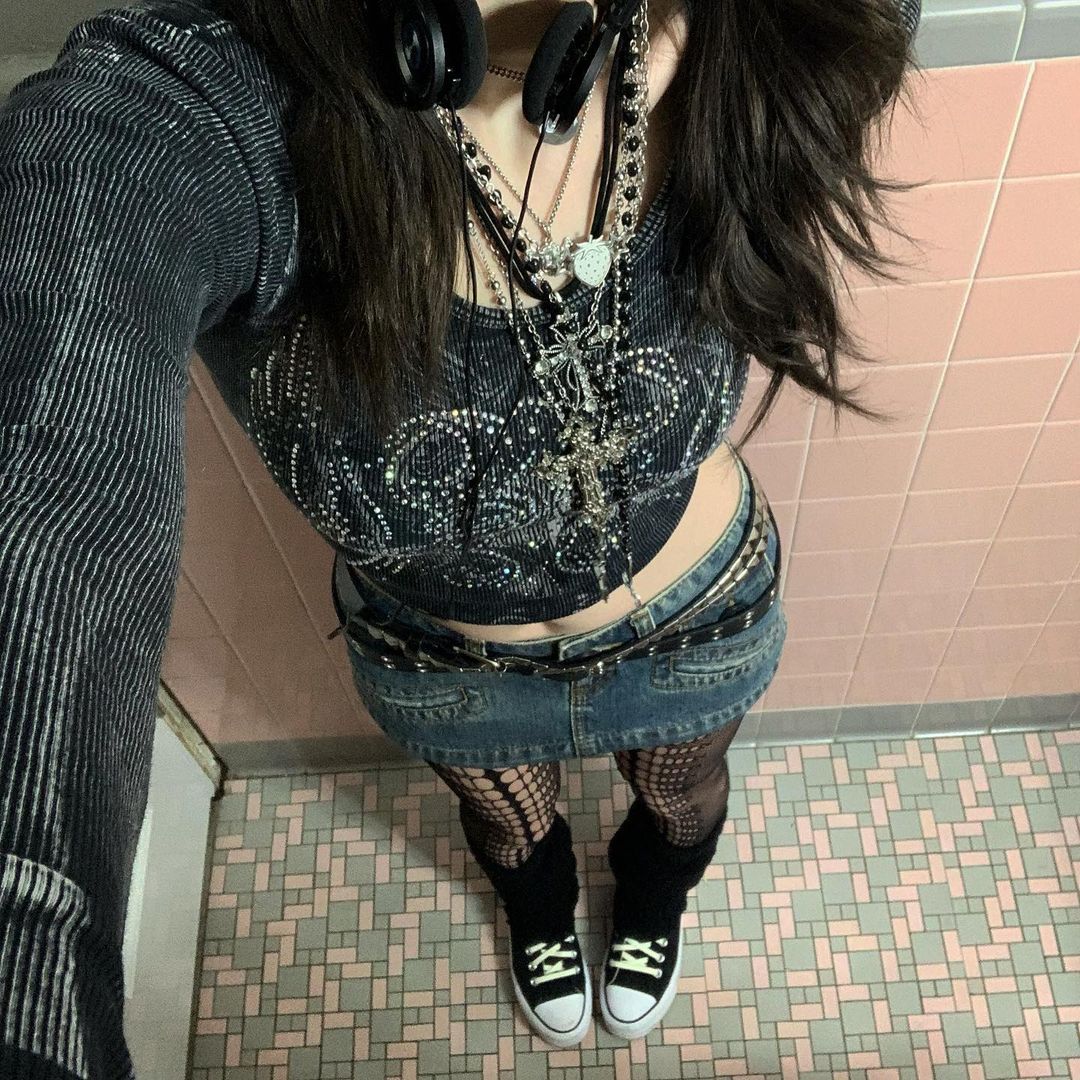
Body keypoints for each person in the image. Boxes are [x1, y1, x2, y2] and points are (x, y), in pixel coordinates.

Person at [0, 0, 922, 1071]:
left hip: (697, 623)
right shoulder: (204, 105)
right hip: (445, 668)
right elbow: (50, 419)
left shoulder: (772, 30)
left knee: (681, 806)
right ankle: (539, 911)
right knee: (513, 836)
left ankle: (655, 896)